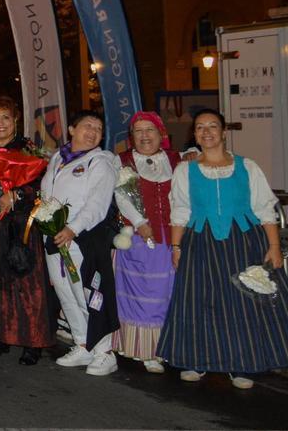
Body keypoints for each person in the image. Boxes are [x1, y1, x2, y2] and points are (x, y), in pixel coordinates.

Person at [158, 109, 288, 389]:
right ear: (194, 135)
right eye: (200, 127)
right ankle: (196, 360)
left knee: (243, 302)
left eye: (213, 126)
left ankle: (243, 364)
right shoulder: (185, 170)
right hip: (199, 240)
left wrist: (274, 246)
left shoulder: (247, 166)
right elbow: (180, 209)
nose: (207, 131)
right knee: (198, 300)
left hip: (243, 241)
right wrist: (177, 246)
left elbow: (265, 208)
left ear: (224, 131)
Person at [0, 96, 53, 366]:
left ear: (15, 120)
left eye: (5, 117)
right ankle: (1, 337)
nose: (0, 123)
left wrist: (16, 195)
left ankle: (32, 341)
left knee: (25, 284)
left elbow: (40, 183)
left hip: (20, 226)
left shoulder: (27, 148)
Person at [39, 110, 120, 377]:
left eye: (98, 129)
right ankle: (83, 344)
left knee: (88, 293)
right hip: (54, 237)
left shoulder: (100, 162)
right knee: (66, 293)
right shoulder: (58, 158)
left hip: (83, 238)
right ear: (72, 130)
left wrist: (73, 228)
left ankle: (104, 352)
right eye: (87, 126)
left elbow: (98, 203)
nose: (93, 132)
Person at [111, 111, 181, 374]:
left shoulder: (177, 159)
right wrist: (140, 222)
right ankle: (144, 349)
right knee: (143, 294)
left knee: (168, 293)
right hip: (141, 238)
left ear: (161, 134)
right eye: (138, 131)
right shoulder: (124, 161)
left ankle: (167, 345)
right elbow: (122, 196)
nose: (144, 136)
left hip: (172, 237)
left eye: (149, 130)